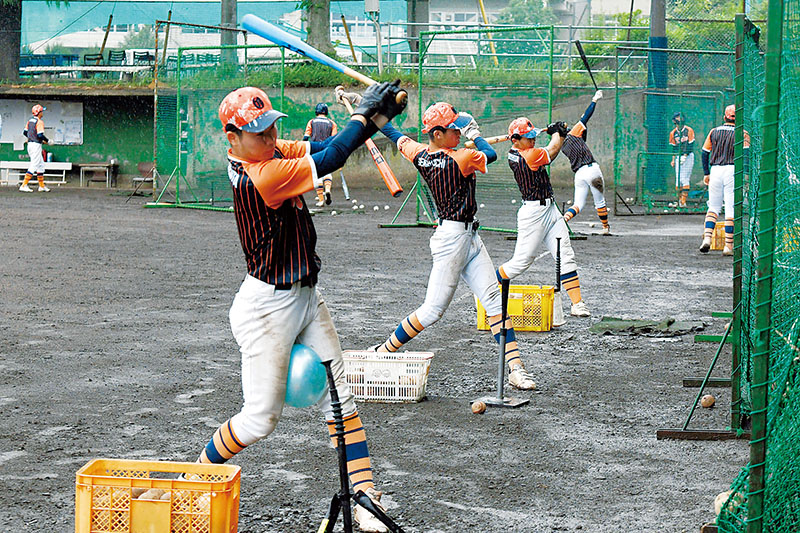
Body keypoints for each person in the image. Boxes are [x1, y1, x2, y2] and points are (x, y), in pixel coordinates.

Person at [201, 83, 405, 533]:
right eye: (258, 134)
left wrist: (374, 118)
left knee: (342, 402)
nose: (270, 139)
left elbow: (324, 146)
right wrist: (365, 114)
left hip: (306, 296)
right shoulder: (262, 175)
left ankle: (364, 499)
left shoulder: (269, 153)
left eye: (271, 129)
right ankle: (201, 476)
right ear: (232, 139)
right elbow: (329, 159)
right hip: (266, 308)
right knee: (259, 420)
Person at [338, 90, 538, 391]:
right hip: (452, 240)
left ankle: (515, 368)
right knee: (432, 310)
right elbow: (492, 155)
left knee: (495, 301)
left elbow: (392, 133)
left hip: (469, 236)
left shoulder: (421, 153)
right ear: (437, 133)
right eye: (453, 129)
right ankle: (383, 352)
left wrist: (365, 107)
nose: (458, 132)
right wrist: (476, 134)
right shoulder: (463, 156)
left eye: (460, 129)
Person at [496, 117, 591, 318]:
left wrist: (558, 132)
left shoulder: (522, 149)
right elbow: (554, 149)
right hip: (533, 214)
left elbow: (554, 144)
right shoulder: (527, 156)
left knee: (565, 254)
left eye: (532, 137)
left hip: (550, 209)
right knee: (521, 262)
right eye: (528, 138)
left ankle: (577, 303)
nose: (532, 141)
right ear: (515, 140)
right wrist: (558, 132)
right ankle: (489, 287)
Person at [699, 104, 749, 256]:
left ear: (724, 117)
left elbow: (704, 153)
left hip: (715, 170)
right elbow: (746, 156)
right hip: (732, 170)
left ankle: (707, 238)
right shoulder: (743, 133)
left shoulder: (714, 132)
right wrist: (745, 175)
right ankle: (728, 246)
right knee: (730, 209)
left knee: (713, 207)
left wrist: (706, 173)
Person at [561, 91, 609, 235]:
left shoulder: (563, 145)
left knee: (578, 204)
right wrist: (595, 99)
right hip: (591, 170)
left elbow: (583, 134)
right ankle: (605, 228)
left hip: (579, 174)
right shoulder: (573, 134)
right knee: (599, 202)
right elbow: (587, 117)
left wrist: (582, 122)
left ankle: (563, 221)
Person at [304, 103, 338, 207]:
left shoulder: (312, 122)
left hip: (315, 149)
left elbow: (306, 137)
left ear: (316, 112)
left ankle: (321, 200)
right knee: (327, 172)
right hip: (327, 150)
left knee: (317, 173)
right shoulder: (332, 123)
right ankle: (327, 189)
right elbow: (334, 139)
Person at [20, 104, 50, 193]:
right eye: (41, 111)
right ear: (39, 113)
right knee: (34, 164)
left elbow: (25, 132)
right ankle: (24, 185)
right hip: (35, 145)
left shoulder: (30, 121)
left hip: (31, 144)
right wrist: (47, 141)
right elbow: (40, 135)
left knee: (40, 165)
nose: (42, 113)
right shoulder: (39, 122)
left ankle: (41, 186)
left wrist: (32, 137)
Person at [669, 112, 696, 208]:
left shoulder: (688, 130)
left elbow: (690, 145)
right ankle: (679, 200)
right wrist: (673, 159)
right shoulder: (673, 133)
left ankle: (683, 202)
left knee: (685, 178)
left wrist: (685, 155)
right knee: (678, 180)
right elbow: (674, 148)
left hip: (688, 157)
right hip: (678, 156)